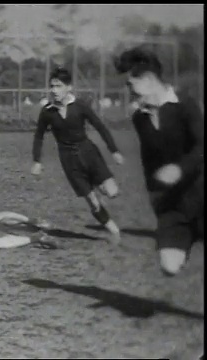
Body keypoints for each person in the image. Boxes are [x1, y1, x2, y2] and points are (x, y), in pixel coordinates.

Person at [114, 46, 204, 276]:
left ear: (148, 79)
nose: (129, 91)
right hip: (172, 206)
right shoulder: (139, 118)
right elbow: (149, 161)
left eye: (130, 84)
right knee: (169, 266)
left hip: (200, 193)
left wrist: (179, 169)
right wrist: (156, 197)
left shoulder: (185, 105)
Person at [31, 68, 124, 244]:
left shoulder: (80, 106)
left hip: (89, 153)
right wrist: (37, 161)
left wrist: (114, 151)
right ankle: (114, 231)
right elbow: (39, 136)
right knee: (92, 201)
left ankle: (99, 186)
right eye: (51, 86)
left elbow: (100, 127)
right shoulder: (47, 111)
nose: (54, 90)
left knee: (112, 192)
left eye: (58, 86)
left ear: (69, 87)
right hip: (69, 159)